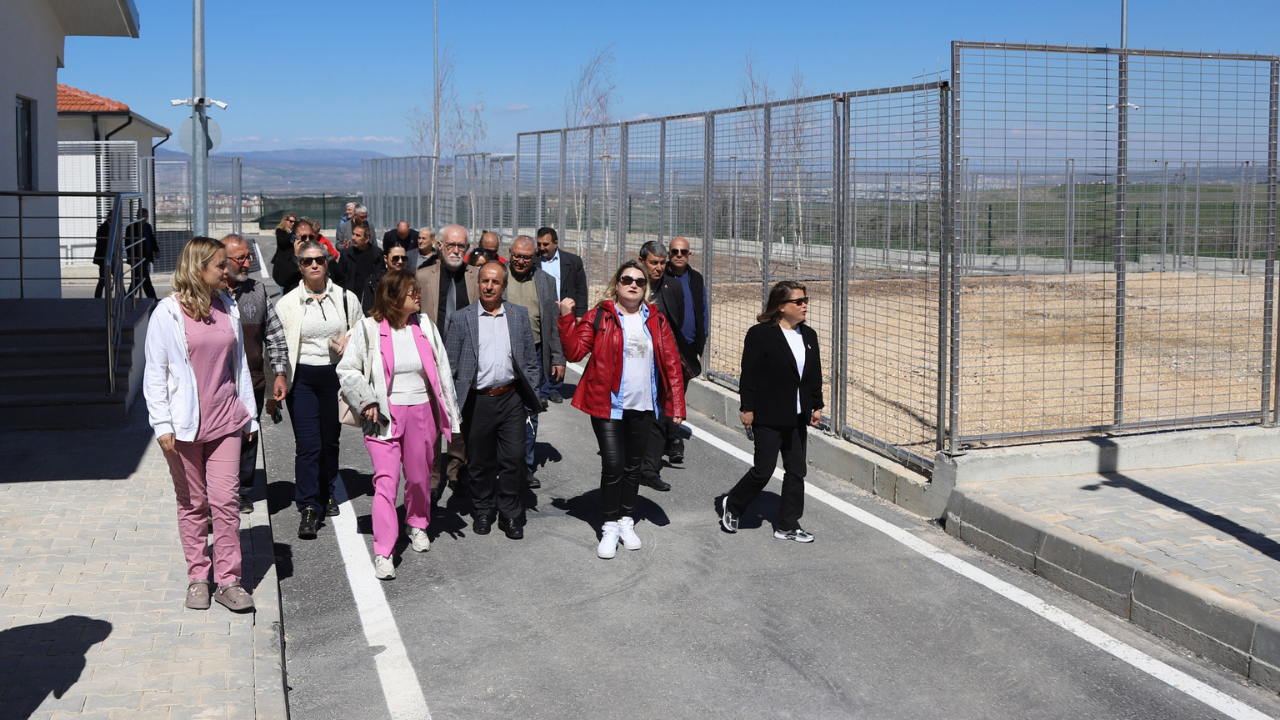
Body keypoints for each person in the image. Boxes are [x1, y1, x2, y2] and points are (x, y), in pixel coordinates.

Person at [143, 236, 259, 612]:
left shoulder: (228, 307)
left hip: (226, 419)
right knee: (193, 503)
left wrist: (249, 414)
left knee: (225, 502)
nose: (228, 270)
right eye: (220, 265)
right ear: (198, 269)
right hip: (184, 427)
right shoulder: (168, 313)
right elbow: (155, 373)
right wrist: (161, 424)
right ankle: (198, 578)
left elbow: (238, 365)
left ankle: (228, 581)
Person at [337, 271, 463, 579]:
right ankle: (384, 551)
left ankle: (417, 523)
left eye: (417, 291)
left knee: (420, 478)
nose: (418, 297)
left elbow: (443, 372)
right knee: (386, 481)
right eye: (411, 293)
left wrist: (452, 416)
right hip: (383, 416)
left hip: (422, 412)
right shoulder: (367, 329)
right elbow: (348, 369)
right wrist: (367, 400)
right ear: (393, 297)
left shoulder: (425, 327)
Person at [558, 261, 686, 559]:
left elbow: (671, 363)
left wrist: (676, 404)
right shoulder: (601, 315)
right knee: (614, 464)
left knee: (633, 467)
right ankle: (609, 525)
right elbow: (575, 351)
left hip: (642, 405)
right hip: (608, 404)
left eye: (639, 282)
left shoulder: (655, 320)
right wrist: (566, 319)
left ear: (645, 288)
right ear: (617, 283)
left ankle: (627, 520)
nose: (632, 285)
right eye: (627, 279)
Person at [720, 281, 823, 543]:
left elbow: (813, 374)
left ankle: (787, 525)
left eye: (805, 300)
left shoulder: (808, 336)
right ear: (781, 306)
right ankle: (733, 505)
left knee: (796, 471)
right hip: (768, 414)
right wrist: (748, 408)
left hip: (797, 415)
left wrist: (817, 404)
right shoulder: (761, 334)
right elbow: (749, 375)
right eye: (798, 301)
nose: (804, 305)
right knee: (763, 471)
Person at [445, 262, 542, 540]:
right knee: (480, 461)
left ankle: (510, 513)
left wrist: (530, 391)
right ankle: (483, 510)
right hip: (478, 401)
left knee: (514, 458)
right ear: (478, 283)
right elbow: (450, 366)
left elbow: (529, 362)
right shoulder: (461, 318)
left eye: (495, 282)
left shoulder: (518, 315)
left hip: (510, 398)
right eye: (485, 281)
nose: (489, 286)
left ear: (504, 285)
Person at [276, 240, 364, 539]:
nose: (314, 265)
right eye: (307, 261)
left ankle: (328, 492)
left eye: (319, 260)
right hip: (301, 378)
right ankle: (309, 507)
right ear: (298, 265)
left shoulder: (345, 298)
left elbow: (361, 331)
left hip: (334, 376)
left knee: (330, 440)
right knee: (308, 444)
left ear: (327, 263)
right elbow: (277, 346)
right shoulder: (287, 303)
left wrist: (348, 341)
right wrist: (276, 383)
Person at [222, 234, 290, 513]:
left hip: (253, 380)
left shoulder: (258, 291)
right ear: (222, 262)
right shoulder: (210, 293)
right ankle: (218, 489)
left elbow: (275, 336)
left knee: (249, 435)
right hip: (219, 383)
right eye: (241, 258)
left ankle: (242, 491)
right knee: (220, 437)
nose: (247, 263)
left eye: (248, 257)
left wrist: (280, 373)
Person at [415, 224, 479, 502]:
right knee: (432, 422)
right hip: (432, 359)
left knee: (462, 420)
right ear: (439, 246)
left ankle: (457, 471)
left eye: (461, 246)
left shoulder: (478, 277)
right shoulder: (422, 276)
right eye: (451, 245)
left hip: (467, 359)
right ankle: (433, 478)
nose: (456, 250)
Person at [503, 235, 565, 488]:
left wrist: (558, 356)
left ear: (535, 258)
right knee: (500, 410)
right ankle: (501, 463)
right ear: (509, 253)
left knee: (531, 410)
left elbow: (552, 324)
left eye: (526, 257)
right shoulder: (498, 276)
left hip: (534, 355)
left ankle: (525, 467)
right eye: (516, 255)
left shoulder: (546, 282)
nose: (520, 261)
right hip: (502, 352)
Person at [535, 226, 587, 404]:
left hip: (563, 310)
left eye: (545, 244)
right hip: (541, 309)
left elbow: (581, 289)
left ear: (555, 243)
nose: (541, 248)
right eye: (539, 244)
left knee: (561, 348)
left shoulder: (572, 262)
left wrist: (580, 313)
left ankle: (555, 387)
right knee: (542, 349)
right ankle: (542, 389)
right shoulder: (534, 261)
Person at [337, 221, 384, 311]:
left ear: (367, 239)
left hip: (372, 298)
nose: (353, 238)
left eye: (358, 236)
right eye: (353, 234)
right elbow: (340, 277)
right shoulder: (347, 254)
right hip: (352, 298)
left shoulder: (377, 254)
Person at [126, 208, 159, 300]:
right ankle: (153, 298)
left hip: (146, 256)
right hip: (137, 258)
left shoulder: (148, 227)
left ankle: (128, 298)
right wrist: (133, 257)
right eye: (142, 216)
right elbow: (128, 244)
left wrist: (156, 250)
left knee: (137, 279)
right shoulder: (131, 227)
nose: (144, 218)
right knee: (145, 279)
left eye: (145, 216)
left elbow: (151, 239)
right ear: (138, 216)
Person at [271, 214, 300, 292]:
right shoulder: (281, 231)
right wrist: (293, 233)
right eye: (291, 221)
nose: (293, 224)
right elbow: (283, 242)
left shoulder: (295, 233)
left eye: (295, 222)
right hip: (283, 261)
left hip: (292, 260)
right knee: (285, 281)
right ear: (285, 221)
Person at [92, 208, 117, 299]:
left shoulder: (113, 227)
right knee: (103, 279)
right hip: (105, 258)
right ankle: (97, 297)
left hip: (112, 257)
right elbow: (101, 244)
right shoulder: (103, 228)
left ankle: (123, 296)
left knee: (116, 277)